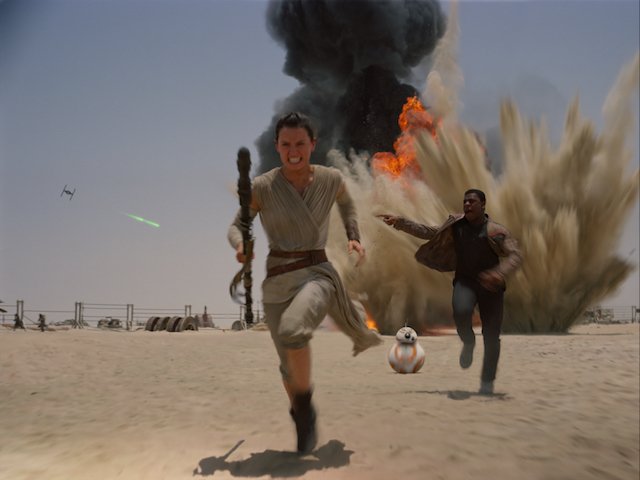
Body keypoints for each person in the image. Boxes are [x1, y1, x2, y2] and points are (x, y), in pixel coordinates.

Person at [228, 112, 382, 453]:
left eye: (300, 143)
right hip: (276, 282)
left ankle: (304, 411)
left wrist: (354, 236)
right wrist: (241, 245)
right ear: (277, 146)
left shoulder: (330, 179)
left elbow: (346, 203)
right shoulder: (263, 187)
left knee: (294, 331)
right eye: (286, 144)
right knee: (288, 366)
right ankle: (302, 411)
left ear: (313, 144)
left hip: (317, 274)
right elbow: (238, 225)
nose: (293, 151)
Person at [380, 189, 522, 395]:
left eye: (472, 202)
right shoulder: (456, 225)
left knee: (492, 337)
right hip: (465, 282)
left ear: (483, 204)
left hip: (491, 287)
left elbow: (515, 255)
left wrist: (499, 273)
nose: (467, 205)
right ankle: (468, 342)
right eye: (465, 202)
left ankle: (487, 382)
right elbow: (430, 232)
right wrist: (400, 222)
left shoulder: (496, 231)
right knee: (461, 313)